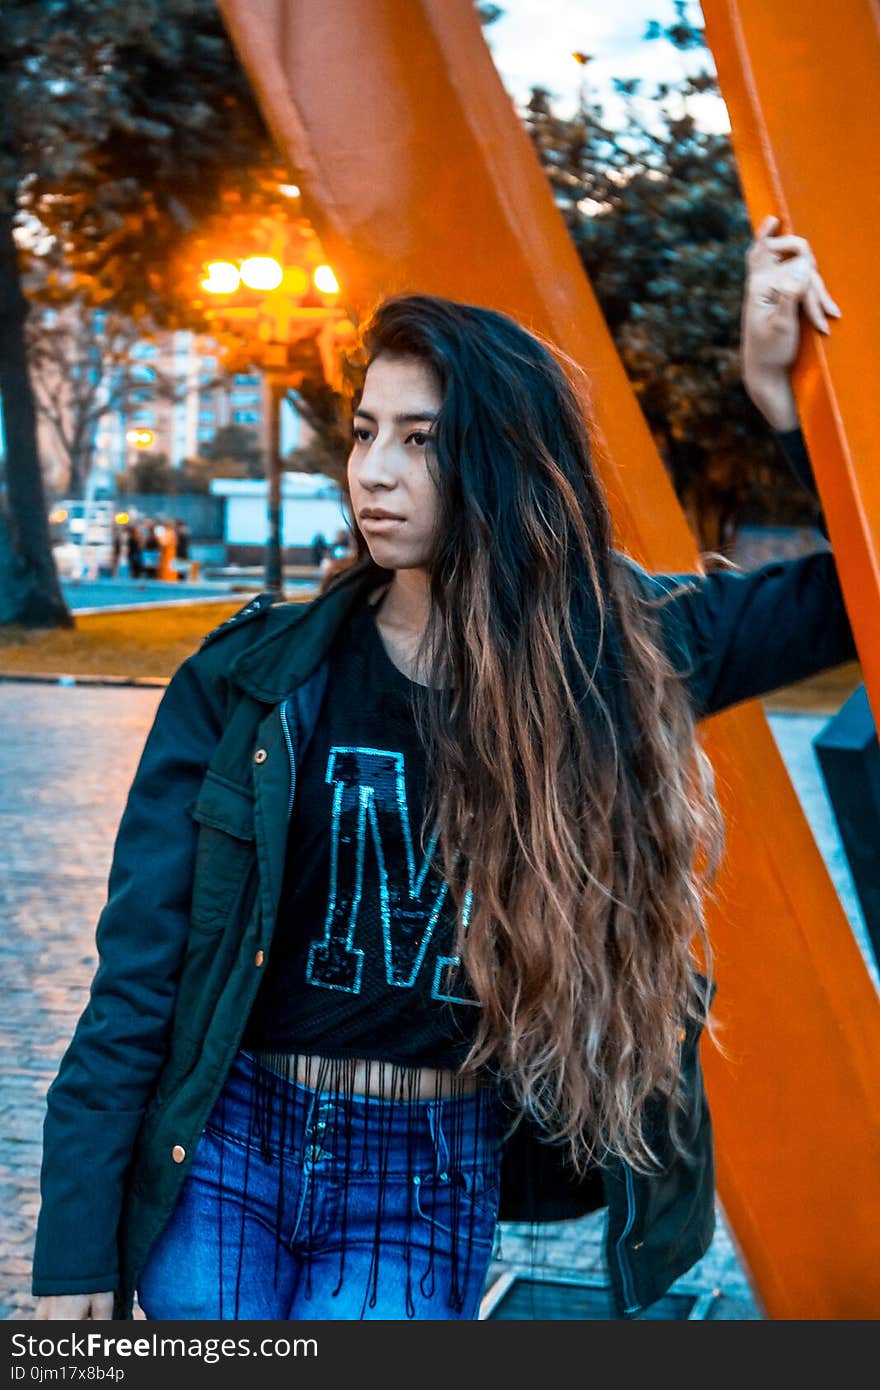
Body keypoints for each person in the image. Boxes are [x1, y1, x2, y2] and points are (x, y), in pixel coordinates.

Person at [32, 221, 852, 1322]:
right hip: (228, 1149)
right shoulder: (252, 681)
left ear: (501, 459)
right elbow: (137, 976)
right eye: (367, 431)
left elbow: (854, 587)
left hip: (421, 1174)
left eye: (420, 439)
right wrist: (74, 1244)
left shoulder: (611, 654)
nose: (373, 470)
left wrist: (780, 394)